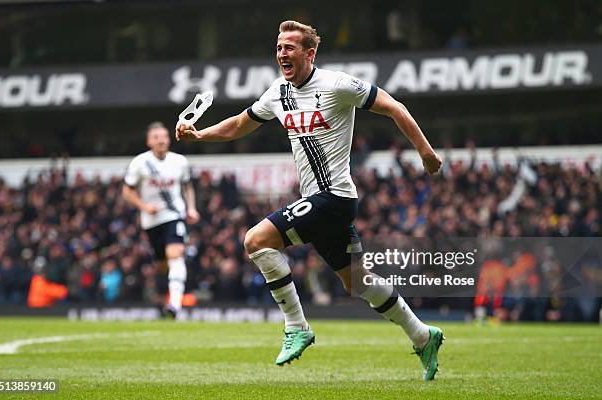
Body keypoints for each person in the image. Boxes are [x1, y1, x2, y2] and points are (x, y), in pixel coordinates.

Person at [176, 21, 444, 380]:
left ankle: (297, 326)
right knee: (357, 282)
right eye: (278, 47)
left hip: (334, 196)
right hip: (318, 200)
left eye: (289, 47)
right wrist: (199, 135)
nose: (282, 54)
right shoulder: (278, 92)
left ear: (309, 53)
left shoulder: (338, 85)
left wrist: (426, 153)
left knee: (256, 240)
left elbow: (395, 107)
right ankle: (423, 335)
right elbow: (241, 123)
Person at [123, 121, 200, 318]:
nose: (161, 141)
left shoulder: (180, 161)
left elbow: (187, 186)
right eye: (156, 137)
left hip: (174, 215)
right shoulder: (139, 163)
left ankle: (174, 305)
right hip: (151, 220)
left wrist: (191, 208)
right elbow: (126, 192)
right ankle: (165, 295)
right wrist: (145, 207)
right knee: (162, 264)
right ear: (149, 141)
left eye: (164, 137)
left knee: (176, 253)